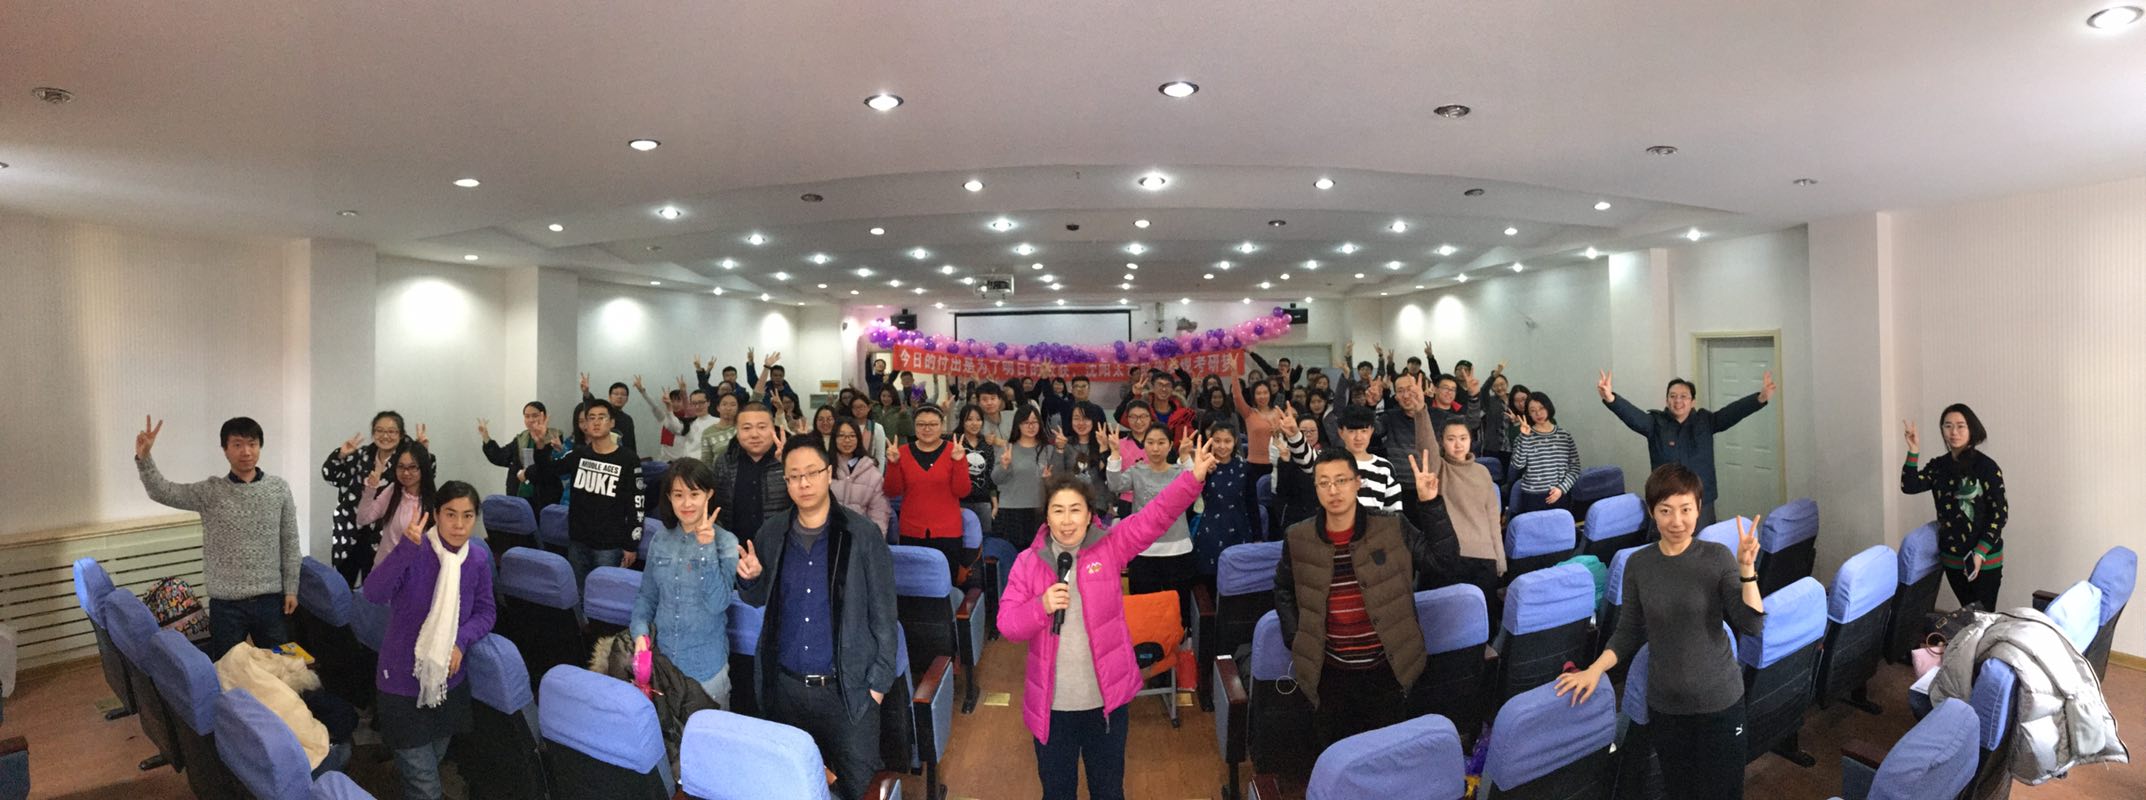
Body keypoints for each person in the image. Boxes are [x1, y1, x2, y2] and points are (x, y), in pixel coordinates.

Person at [1001, 433, 1218, 800]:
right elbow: (1007, 625)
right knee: (1057, 793)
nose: (1067, 520)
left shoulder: (1110, 546)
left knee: (1108, 791)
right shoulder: (1027, 562)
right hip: (1052, 708)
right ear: (1047, 516)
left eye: (1075, 510)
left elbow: (1154, 516)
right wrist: (1041, 606)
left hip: (1106, 704)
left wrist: (1191, 478)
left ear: (1090, 515)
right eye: (1058, 510)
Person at [1555, 464, 1764, 800]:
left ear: (1699, 508)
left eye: (1686, 509)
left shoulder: (1717, 557)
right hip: (1667, 706)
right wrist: (1595, 669)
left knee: (1723, 793)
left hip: (1720, 702)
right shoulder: (1639, 564)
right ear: (1652, 512)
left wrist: (1747, 569)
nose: (1676, 521)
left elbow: (1752, 624)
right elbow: (1628, 631)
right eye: (1666, 510)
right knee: (1680, 790)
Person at [734, 439, 900, 800]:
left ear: (829, 474)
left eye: (811, 473)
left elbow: (885, 617)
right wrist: (750, 579)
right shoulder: (772, 533)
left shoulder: (862, 534)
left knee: (859, 786)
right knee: (792, 788)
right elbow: (756, 598)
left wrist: (877, 687)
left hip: (849, 692)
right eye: (794, 476)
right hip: (786, 689)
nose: (803, 483)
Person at [1273, 447, 1463, 750]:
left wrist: (1431, 504)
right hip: (1329, 672)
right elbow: (1283, 588)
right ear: (1316, 488)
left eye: (1341, 480)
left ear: (1357, 482)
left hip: (1387, 668)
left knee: (1386, 754)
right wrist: (1295, 636)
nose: (1333, 490)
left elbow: (1444, 563)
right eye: (1324, 482)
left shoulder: (1392, 526)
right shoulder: (1298, 537)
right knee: (1337, 755)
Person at [362, 481, 495, 800]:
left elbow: (486, 611)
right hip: (400, 682)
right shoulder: (415, 550)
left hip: (447, 683)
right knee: (427, 786)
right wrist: (404, 550)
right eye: (450, 514)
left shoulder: (477, 559)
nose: (459, 524)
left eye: (467, 515)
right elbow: (373, 593)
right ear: (435, 514)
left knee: (430, 765)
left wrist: (461, 640)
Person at [136, 415, 301, 659]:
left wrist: (291, 589)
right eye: (237, 444)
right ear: (225, 449)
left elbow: (290, 541)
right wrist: (144, 458)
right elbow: (163, 491)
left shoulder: (279, 489)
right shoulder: (210, 491)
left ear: (260, 447)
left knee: (281, 665)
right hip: (226, 605)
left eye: (252, 444)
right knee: (226, 669)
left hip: (270, 600)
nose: (246, 451)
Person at [1599, 370, 1776, 525]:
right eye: (1673, 396)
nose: (1678, 401)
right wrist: (1610, 398)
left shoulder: (1705, 421)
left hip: (1701, 502)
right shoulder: (1655, 424)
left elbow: (1733, 412)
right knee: (1667, 547)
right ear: (1667, 400)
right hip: (1665, 501)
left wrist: (1759, 399)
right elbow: (1632, 416)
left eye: (1684, 396)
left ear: (1692, 401)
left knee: (1702, 545)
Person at [632, 458, 740, 708]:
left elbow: (718, 603)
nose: (687, 503)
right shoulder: (660, 539)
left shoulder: (726, 542)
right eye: (678, 495)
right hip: (662, 665)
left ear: (708, 495)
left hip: (706, 673)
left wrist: (706, 548)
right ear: (669, 497)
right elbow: (647, 596)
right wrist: (639, 633)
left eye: (694, 494)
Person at [524, 399, 643, 587]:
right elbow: (548, 471)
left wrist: (631, 545)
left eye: (602, 417)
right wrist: (540, 445)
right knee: (577, 591)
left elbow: (637, 504)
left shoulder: (628, 459)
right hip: (578, 540)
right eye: (591, 418)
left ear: (612, 422)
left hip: (609, 544)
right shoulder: (579, 454)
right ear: (585, 424)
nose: (596, 422)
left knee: (602, 593)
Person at [1901, 404, 2008, 609]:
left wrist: (1980, 552)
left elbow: (1999, 515)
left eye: (1960, 426)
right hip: (1952, 559)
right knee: (1967, 614)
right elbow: (1910, 485)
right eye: (1948, 426)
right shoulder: (1939, 466)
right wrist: (1913, 451)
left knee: (1984, 617)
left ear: (1971, 429)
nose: (1954, 432)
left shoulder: (1987, 467)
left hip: (1985, 559)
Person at [322, 411, 428, 586]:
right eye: (379, 430)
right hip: (350, 529)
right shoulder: (361, 455)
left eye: (392, 431)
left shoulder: (405, 461)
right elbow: (331, 476)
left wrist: (423, 453)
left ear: (401, 434)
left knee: (373, 584)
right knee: (342, 581)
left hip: (382, 534)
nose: (385, 436)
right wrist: (341, 455)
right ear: (373, 433)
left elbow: (425, 479)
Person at [1108, 426, 1197, 622]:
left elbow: (1194, 485)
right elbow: (1115, 485)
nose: (1155, 448)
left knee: (1178, 608)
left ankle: (1182, 638)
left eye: (1161, 442)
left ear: (1170, 445)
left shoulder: (1179, 472)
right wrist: (1115, 453)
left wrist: (1185, 457)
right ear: (1145, 446)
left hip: (1177, 549)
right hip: (1143, 550)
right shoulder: (1136, 471)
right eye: (1150, 443)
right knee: (1144, 608)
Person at [882, 405, 972, 575]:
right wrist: (893, 464)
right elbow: (892, 491)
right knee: (913, 584)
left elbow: (963, 491)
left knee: (947, 583)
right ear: (914, 426)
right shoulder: (901, 452)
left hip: (948, 532)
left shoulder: (954, 451)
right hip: (911, 531)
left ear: (942, 425)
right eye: (921, 424)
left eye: (933, 424)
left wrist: (959, 461)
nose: (927, 429)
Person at [711, 402, 793, 538]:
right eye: (746, 428)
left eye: (762, 427)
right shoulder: (724, 462)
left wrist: (789, 464)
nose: (754, 434)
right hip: (734, 544)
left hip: (780, 543)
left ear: (774, 429)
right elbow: (715, 505)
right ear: (737, 432)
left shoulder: (790, 459)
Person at [357, 441, 437, 571]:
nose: (406, 473)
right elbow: (363, 518)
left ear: (423, 468)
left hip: (413, 573)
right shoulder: (392, 491)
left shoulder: (433, 502)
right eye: (401, 467)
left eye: (412, 467)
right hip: (383, 569)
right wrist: (371, 488)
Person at [480, 403, 564, 510]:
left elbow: (548, 466)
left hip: (545, 496)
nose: (531, 420)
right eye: (527, 416)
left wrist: (528, 472)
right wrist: (486, 437)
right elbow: (501, 457)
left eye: (535, 415)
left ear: (544, 417)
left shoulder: (555, 438)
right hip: (520, 495)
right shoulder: (521, 439)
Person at [1510, 391, 1582, 514]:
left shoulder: (1564, 435)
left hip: (1560, 494)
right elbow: (1517, 465)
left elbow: (1575, 467)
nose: (1538, 413)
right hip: (1533, 496)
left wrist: (1561, 489)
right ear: (1528, 413)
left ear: (1548, 407)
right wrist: (1525, 438)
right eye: (1532, 410)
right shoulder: (1523, 437)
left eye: (1541, 408)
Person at [993, 406, 1053, 548]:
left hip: (1039, 510)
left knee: (1038, 554)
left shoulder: (1048, 449)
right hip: (1011, 510)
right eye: (1026, 422)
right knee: (1013, 555)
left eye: (1034, 422)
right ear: (1018, 425)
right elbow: (995, 479)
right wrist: (1004, 466)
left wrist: (1048, 479)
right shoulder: (1007, 448)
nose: (1031, 426)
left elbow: (1056, 484)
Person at [828, 419, 893, 537]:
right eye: (841, 436)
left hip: (861, 537)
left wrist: (875, 540)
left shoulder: (872, 472)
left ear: (859, 439)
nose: (847, 440)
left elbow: (879, 512)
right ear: (834, 439)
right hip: (829, 536)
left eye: (852, 436)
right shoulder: (824, 467)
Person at [636, 375, 720, 463]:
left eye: (679, 400)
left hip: (685, 461)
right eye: (672, 401)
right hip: (666, 460)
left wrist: (683, 392)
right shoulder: (670, 418)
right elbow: (655, 407)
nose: (675, 404)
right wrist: (643, 392)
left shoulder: (689, 421)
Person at [1335, 406, 1401, 512]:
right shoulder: (1331, 465)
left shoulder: (1385, 468)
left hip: (1377, 522)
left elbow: (1394, 512)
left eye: (1364, 431)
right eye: (1352, 431)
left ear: (1371, 431)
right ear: (1341, 432)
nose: (1358, 437)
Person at [953, 404, 997, 534]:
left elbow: (990, 475)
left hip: (983, 502)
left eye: (978, 419)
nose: (974, 423)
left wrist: (994, 503)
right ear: (962, 421)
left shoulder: (986, 445)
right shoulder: (954, 442)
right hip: (959, 502)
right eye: (969, 419)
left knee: (984, 537)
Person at [580, 376, 638, 455]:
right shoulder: (604, 413)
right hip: (604, 454)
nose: (619, 397)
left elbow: (631, 443)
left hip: (623, 456)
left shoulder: (628, 419)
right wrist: (586, 392)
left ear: (627, 399)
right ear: (610, 397)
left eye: (623, 394)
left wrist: (633, 457)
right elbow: (591, 405)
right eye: (616, 394)